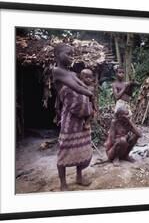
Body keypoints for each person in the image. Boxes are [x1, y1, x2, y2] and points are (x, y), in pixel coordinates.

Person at [53, 43, 94, 191]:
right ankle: (63, 183)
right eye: (68, 54)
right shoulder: (57, 71)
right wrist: (89, 94)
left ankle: (79, 176)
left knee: (80, 149)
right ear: (57, 55)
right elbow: (77, 88)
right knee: (65, 149)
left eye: (72, 54)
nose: (71, 57)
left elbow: (81, 85)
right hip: (69, 117)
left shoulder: (72, 73)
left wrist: (88, 95)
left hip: (81, 118)